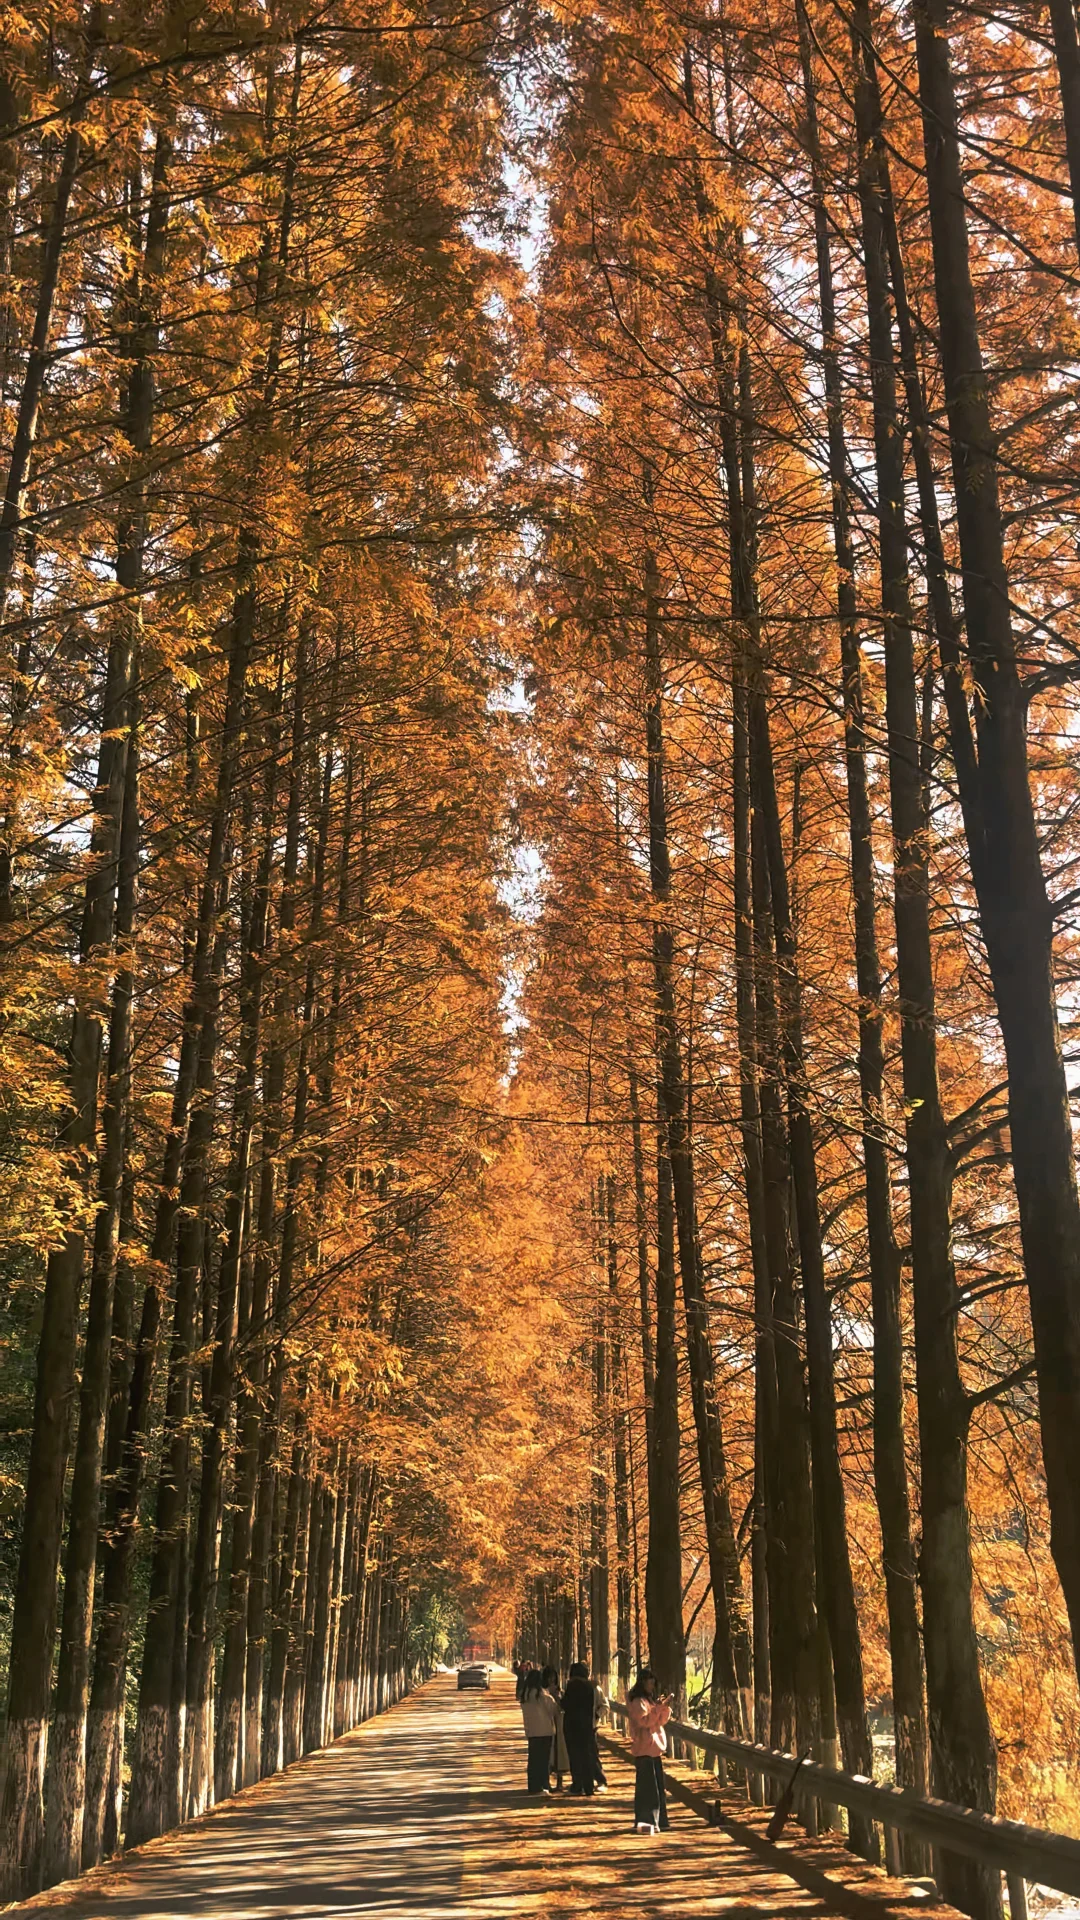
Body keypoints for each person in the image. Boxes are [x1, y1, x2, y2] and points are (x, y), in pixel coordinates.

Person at [627, 1668, 672, 1834]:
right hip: (644, 1748)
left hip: (655, 1748)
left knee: (658, 1788)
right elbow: (645, 1722)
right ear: (642, 1683)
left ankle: (660, 1820)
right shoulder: (638, 1701)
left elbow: (660, 1721)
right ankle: (648, 1821)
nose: (652, 1686)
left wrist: (663, 1708)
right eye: (649, 1682)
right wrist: (657, 1710)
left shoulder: (650, 1701)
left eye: (653, 1683)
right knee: (648, 1789)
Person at [560, 1660, 605, 1796]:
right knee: (587, 1755)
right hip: (587, 1725)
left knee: (575, 1756)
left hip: (572, 1725)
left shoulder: (572, 1685)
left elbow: (566, 1705)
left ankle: (577, 1785)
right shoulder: (591, 1686)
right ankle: (589, 1786)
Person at [520, 1669, 559, 1794]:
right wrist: (554, 1695)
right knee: (544, 1761)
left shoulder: (525, 1695)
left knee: (533, 1760)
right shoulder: (542, 1695)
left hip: (531, 1732)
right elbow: (554, 1710)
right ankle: (544, 1785)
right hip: (545, 1731)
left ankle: (533, 1786)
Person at [542, 1666, 570, 1790]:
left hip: (559, 1725)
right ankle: (546, 1782)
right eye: (549, 1678)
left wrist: (558, 1697)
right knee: (548, 1754)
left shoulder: (560, 1692)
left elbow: (562, 1706)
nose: (551, 1680)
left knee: (560, 1754)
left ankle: (559, 1782)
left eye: (553, 1678)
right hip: (547, 1724)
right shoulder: (542, 1693)